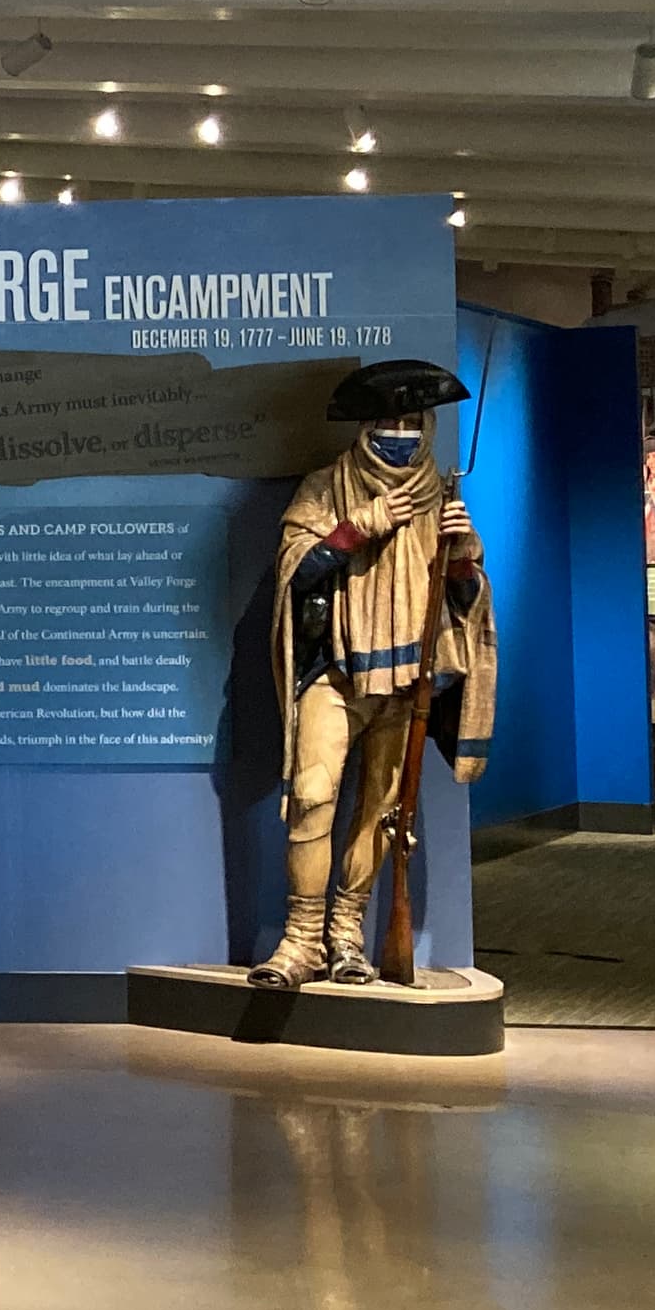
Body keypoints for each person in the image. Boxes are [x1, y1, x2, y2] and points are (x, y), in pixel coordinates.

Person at [258, 360, 496, 988]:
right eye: (387, 419)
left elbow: (467, 603)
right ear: (365, 426)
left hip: (408, 681)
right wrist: (359, 527)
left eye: (412, 420)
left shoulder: (443, 497)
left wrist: (463, 555)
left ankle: (346, 935)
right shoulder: (322, 487)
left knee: (384, 814)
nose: (399, 431)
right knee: (312, 798)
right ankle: (301, 940)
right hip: (335, 673)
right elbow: (296, 574)